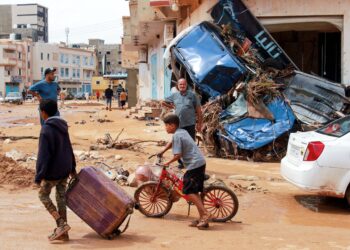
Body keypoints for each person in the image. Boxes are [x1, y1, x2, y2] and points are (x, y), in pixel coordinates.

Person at [157, 114, 210, 230]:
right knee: (194, 191)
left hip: (194, 164)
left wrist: (167, 163)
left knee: (187, 190)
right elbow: (172, 143)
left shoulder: (177, 135)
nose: (165, 128)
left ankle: (205, 214)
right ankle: (202, 218)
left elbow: (178, 155)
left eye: (166, 125)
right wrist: (163, 150)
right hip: (200, 162)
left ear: (172, 125)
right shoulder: (182, 132)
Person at [35, 99, 76, 241]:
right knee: (61, 198)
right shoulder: (62, 126)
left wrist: (38, 176)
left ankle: (60, 224)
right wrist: (73, 167)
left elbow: (43, 156)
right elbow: (69, 147)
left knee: (43, 195)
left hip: (52, 171)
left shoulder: (46, 129)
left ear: (43, 113)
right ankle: (63, 233)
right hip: (65, 168)